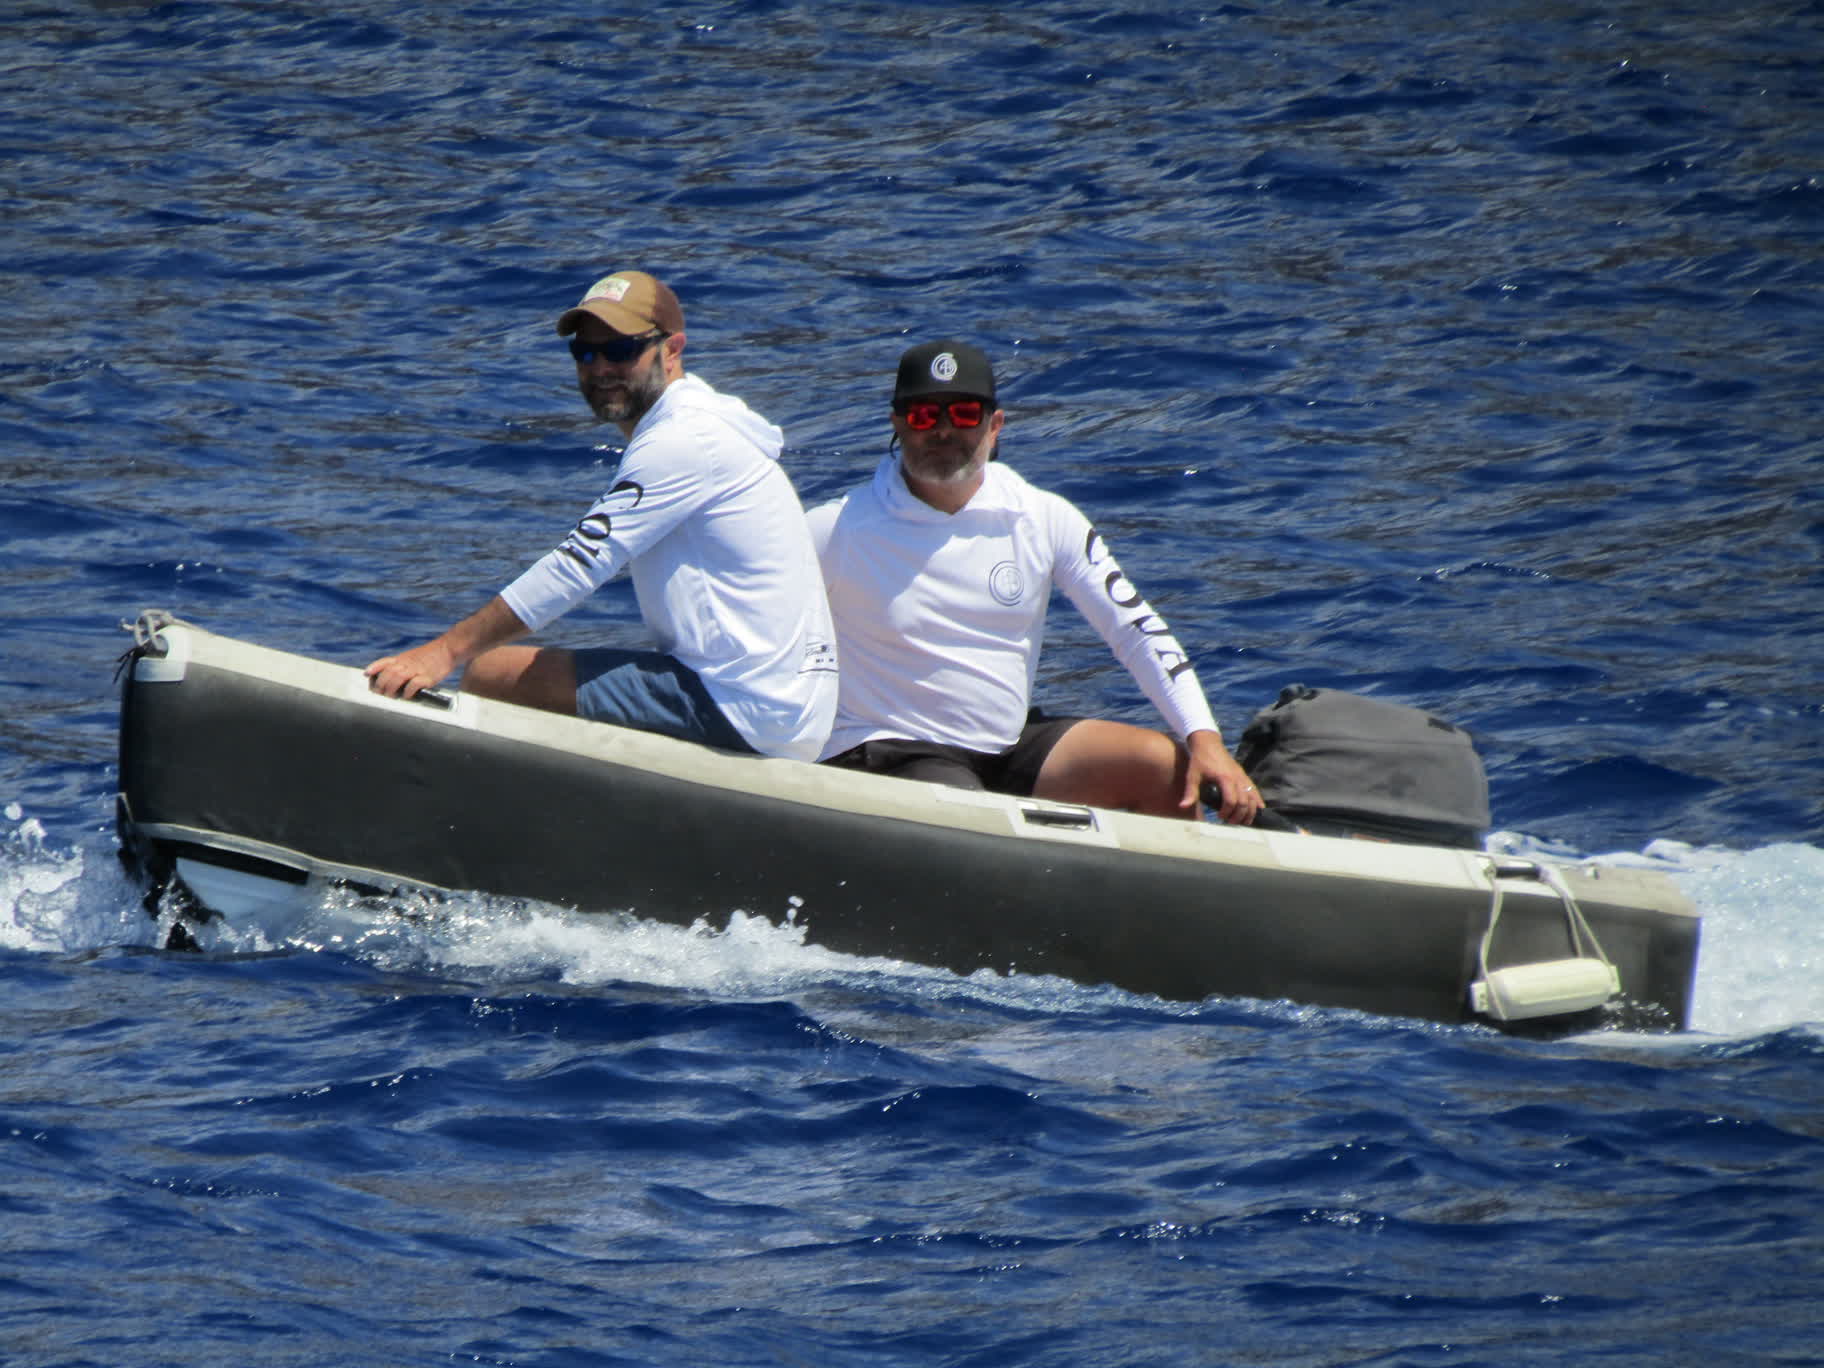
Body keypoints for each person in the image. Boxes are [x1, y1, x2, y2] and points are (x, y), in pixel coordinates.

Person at [365, 269, 838, 762]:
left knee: (490, 673)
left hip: (748, 707)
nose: (600, 368)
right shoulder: (704, 427)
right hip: (785, 707)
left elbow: (577, 565)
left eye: (621, 350)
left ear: (671, 350)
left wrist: (441, 652)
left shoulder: (684, 440)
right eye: (585, 353)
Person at [805, 339, 1261, 823]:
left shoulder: (1043, 515)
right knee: (970, 816)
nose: (943, 430)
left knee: (1167, 770)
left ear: (995, 425)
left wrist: (1205, 738)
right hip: (887, 751)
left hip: (1004, 744)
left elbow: (1134, 629)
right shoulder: (835, 529)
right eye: (922, 416)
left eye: (963, 414)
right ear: (897, 423)